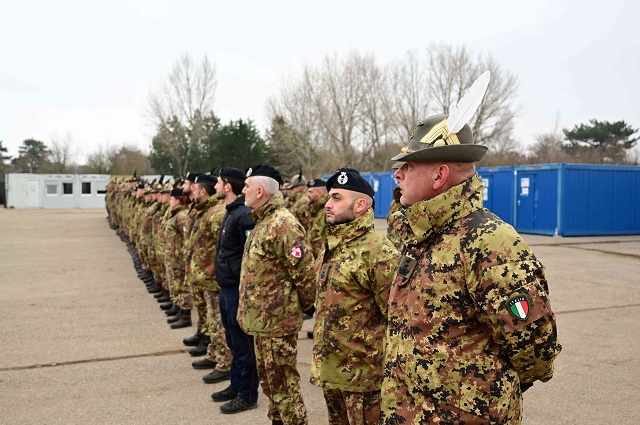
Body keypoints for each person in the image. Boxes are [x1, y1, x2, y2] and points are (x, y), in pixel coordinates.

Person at [379, 113, 562, 424]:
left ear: (439, 176)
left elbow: (535, 347)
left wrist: (487, 394)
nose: (398, 175)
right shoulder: (421, 234)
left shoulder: (490, 242)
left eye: (408, 166)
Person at [310, 170, 398, 425]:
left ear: (360, 205)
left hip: (364, 380)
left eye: (336, 198)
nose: (327, 204)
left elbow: (396, 317)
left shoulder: (378, 251)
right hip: (332, 371)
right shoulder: (333, 245)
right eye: (329, 197)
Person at [239, 164, 317, 425]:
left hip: (277, 325)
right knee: (272, 388)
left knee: (285, 390)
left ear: (260, 191)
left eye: (247, 186)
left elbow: (306, 275)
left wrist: (303, 308)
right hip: (263, 323)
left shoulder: (283, 224)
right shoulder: (262, 221)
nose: (243, 190)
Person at [211, 167, 260, 414]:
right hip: (226, 288)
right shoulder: (231, 212)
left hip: (237, 289)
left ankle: (248, 393)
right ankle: (236, 384)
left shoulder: (244, 215)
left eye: (218, 182)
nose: (215, 187)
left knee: (244, 343)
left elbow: (249, 255)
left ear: (228, 186)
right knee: (232, 342)